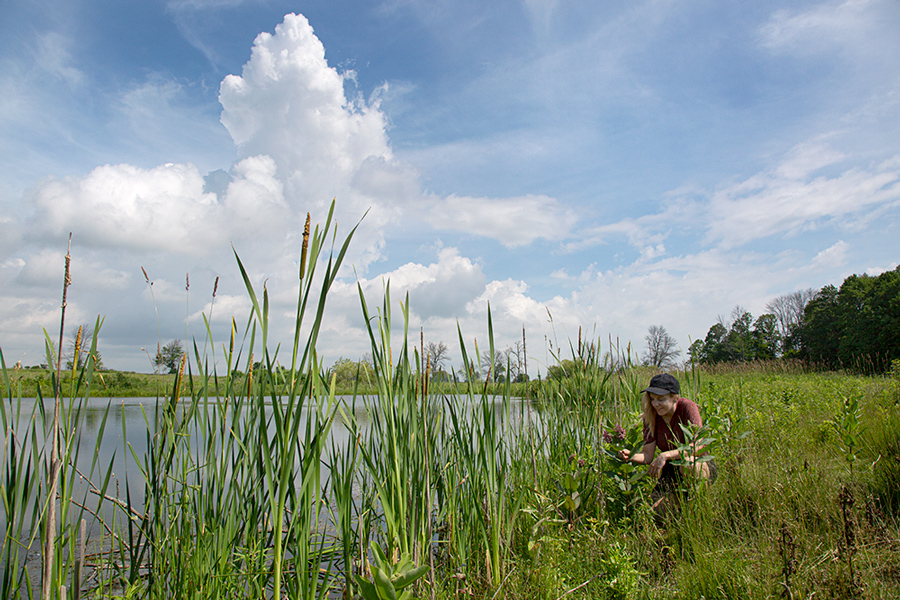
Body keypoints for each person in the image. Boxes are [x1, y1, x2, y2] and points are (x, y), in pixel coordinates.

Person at [617, 373, 715, 515]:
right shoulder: (651, 416)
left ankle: (700, 509)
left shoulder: (687, 407)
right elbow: (648, 456)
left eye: (661, 399)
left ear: (674, 397)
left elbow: (698, 446)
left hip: (698, 463)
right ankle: (681, 509)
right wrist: (630, 456)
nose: (655, 404)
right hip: (671, 471)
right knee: (656, 512)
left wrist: (666, 455)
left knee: (687, 465)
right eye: (652, 399)